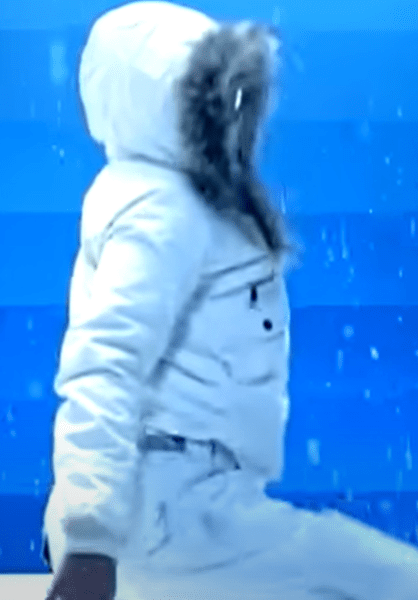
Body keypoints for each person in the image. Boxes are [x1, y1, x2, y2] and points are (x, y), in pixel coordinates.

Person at [42, 3, 418, 600]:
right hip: (169, 518)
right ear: (164, 103)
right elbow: (105, 364)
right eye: (213, 98)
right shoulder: (161, 209)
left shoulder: (187, 200)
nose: (235, 116)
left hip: (195, 508)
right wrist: (90, 535)